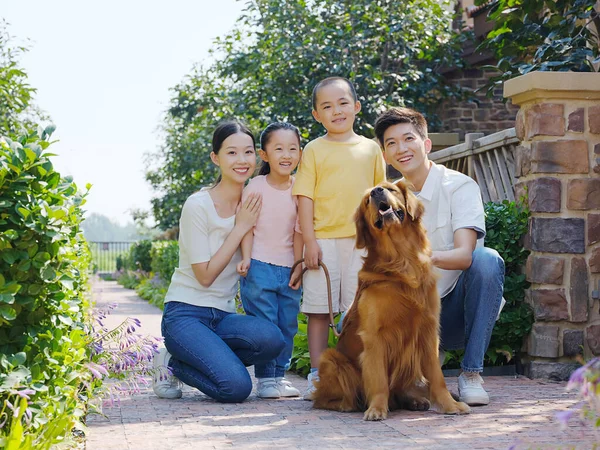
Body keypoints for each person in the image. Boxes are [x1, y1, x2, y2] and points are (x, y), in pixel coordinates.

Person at [373, 106, 505, 406]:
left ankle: (471, 374)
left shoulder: (458, 186)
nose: (401, 148)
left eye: (408, 139)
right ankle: (417, 363)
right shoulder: (385, 197)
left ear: (426, 143)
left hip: (454, 312)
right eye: (391, 143)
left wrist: (419, 259)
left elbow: (464, 256)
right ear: (385, 154)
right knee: (349, 323)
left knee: (488, 260)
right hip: (410, 312)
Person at [152, 120, 285, 403]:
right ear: (216, 158)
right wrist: (240, 227)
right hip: (186, 314)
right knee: (236, 388)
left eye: (248, 152)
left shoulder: (253, 200)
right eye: (232, 153)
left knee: (272, 339)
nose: (242, 160)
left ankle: (194, 358)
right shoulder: (198, 205)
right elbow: (205, 276)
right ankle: (171, 363)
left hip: (223, 317)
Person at [292, 77, 387, 400]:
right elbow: (305, 198)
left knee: (359, 312)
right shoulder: (314, 150)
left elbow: (381, 198)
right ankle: (319, 376)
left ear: (357, 107)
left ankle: (358, 374)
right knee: (320, 311)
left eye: (343, 103)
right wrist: (310, 242)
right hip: (324, 241)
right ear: (317, 115)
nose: (336, 111)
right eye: (327, 106)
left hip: (363, 244)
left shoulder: (371, 149)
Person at [237, 122, 304, 399]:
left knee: (288, 324)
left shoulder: (301, 188)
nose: (286, 155)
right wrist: (245, 257)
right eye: (278, 149)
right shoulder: (256, 186)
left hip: (289, 269)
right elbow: (246, 225)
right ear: (264, 155)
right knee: (266, 325)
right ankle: (266, 380)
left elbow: (301, 229)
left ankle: (278, 376)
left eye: (293, 148)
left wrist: (299, 265)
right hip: (259, 266)